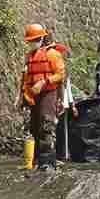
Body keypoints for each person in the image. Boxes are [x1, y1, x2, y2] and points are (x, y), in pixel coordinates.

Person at [18, 24, 66, 171]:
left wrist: (44, 82)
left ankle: (47, 162)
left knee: (46, 126)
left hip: (48, 93)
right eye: (30, 40)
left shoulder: (52, 54)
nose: (32, 43)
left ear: (41, 39)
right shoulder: (29, 57)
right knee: (34, 128)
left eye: (35, 39)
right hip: (33, 95)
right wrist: (21, 97)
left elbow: (60, 75)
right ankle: (39, 160)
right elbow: (25, 79)